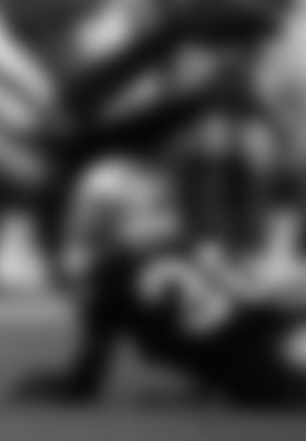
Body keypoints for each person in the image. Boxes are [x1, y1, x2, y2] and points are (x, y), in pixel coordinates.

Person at [20, 156, 306, 407]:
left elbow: (84, 383)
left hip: (255, 369)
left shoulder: (105, 281)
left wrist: (47, 387)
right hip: (280, 331)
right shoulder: (182, 245)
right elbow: (246, 299)